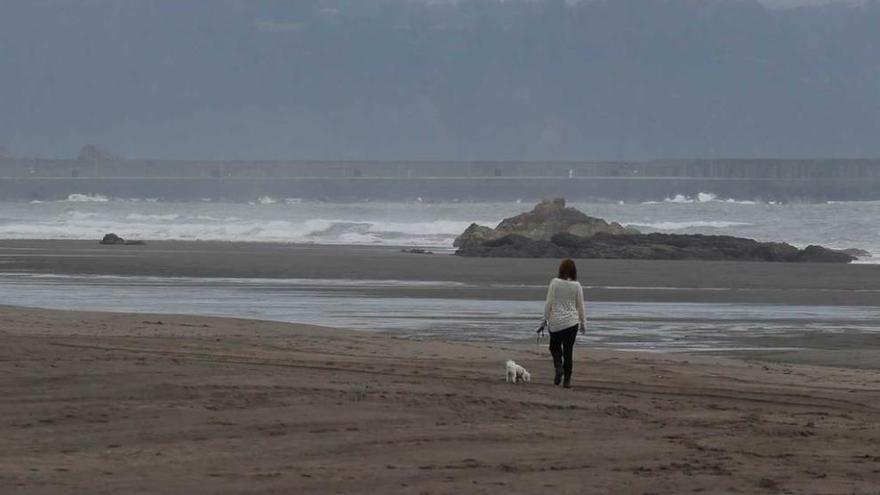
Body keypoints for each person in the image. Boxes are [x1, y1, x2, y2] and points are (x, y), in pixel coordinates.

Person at [542, 258, 586, 388]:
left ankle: (558, 368)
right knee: (568, 351)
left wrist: (544, 319)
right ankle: (567, 381)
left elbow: (549, 302)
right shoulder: (577, 285)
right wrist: (583, 323)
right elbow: (581, 306)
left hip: (556, 322)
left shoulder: (554, 283)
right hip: (572, 323)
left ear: (560, 270)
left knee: (554, 348)